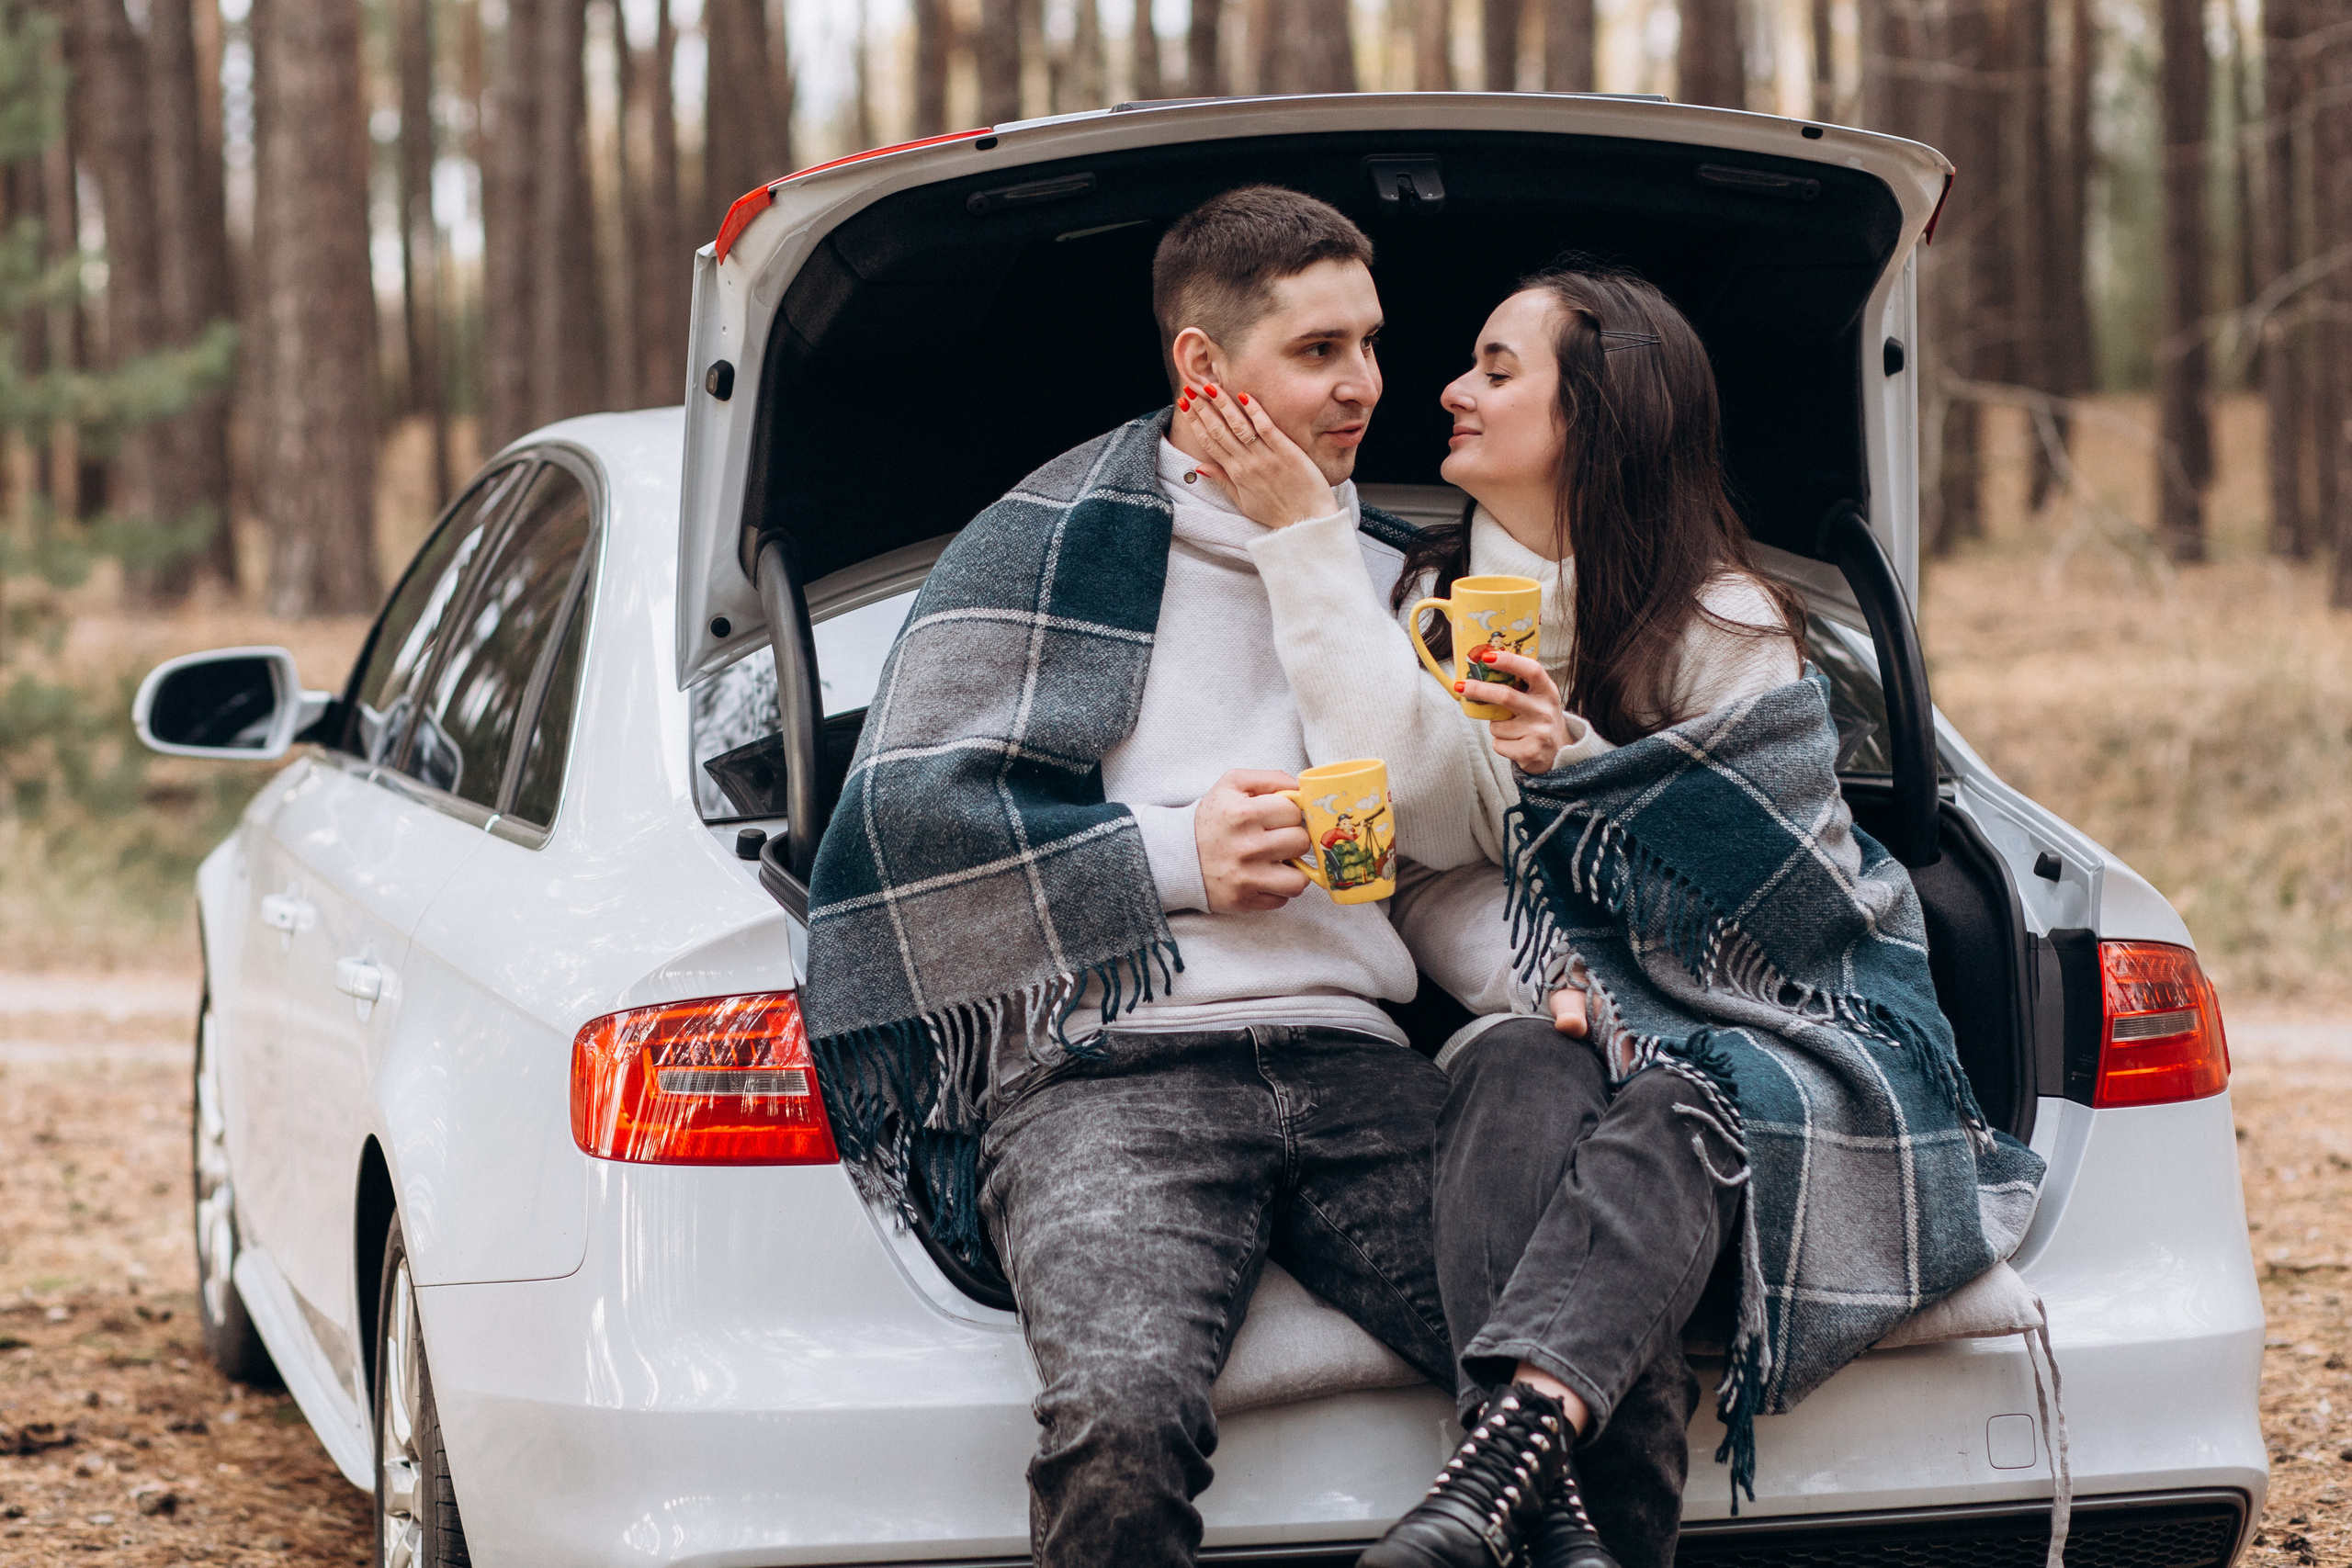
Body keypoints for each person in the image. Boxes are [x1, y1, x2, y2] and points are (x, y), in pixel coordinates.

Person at [1182, 261, 2044, 1568]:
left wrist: (1581, 770)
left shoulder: (1727, 620)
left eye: (1494, 369)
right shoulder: (1426, 601)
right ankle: (1546, 1509)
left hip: (1777, 1040)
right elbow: (1429, 870)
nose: (1449, 391)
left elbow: (1780, 906)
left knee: (1676, 1089)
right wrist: (1554, 991)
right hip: (1563, 1030)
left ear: (1597, 415)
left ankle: (1488, 1473)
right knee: (1522, 1063)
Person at [796, 186, 1546, 1568]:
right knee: (1121, 1434)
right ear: (1205, 368)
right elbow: (902, 846)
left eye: (1372, 343)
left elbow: (1439, 851)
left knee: (1565, 1379)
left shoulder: (1387, 573)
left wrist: (1556, 981)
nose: (1367, 385)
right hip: (1105, 1076)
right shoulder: (1031, 552)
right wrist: (1172, 860)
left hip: (1360, 1060)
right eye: (1321, 351)